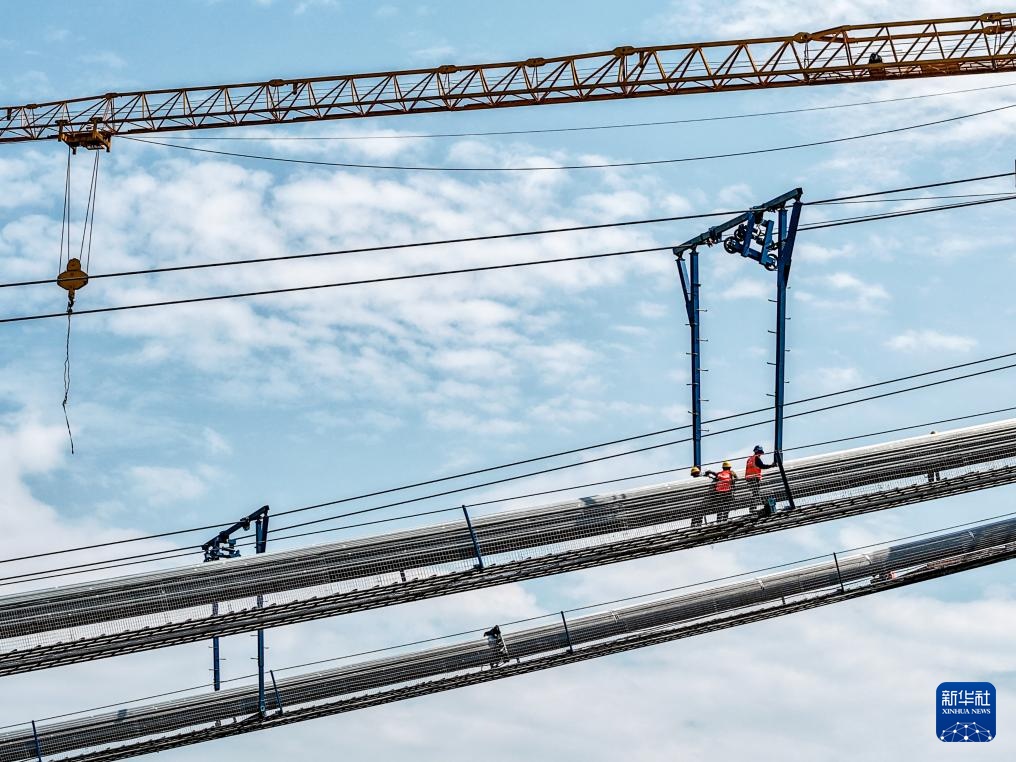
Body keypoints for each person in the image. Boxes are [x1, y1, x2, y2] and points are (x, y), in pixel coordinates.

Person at [745, 445, 777, 516]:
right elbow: (762, 466)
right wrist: (771, 466)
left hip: (749, 479)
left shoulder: (750, 459)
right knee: (756, 494)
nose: (760, 454)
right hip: (754, 478)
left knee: (755, 493)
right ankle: (753, 509)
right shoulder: (756, 458)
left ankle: (753, 508)